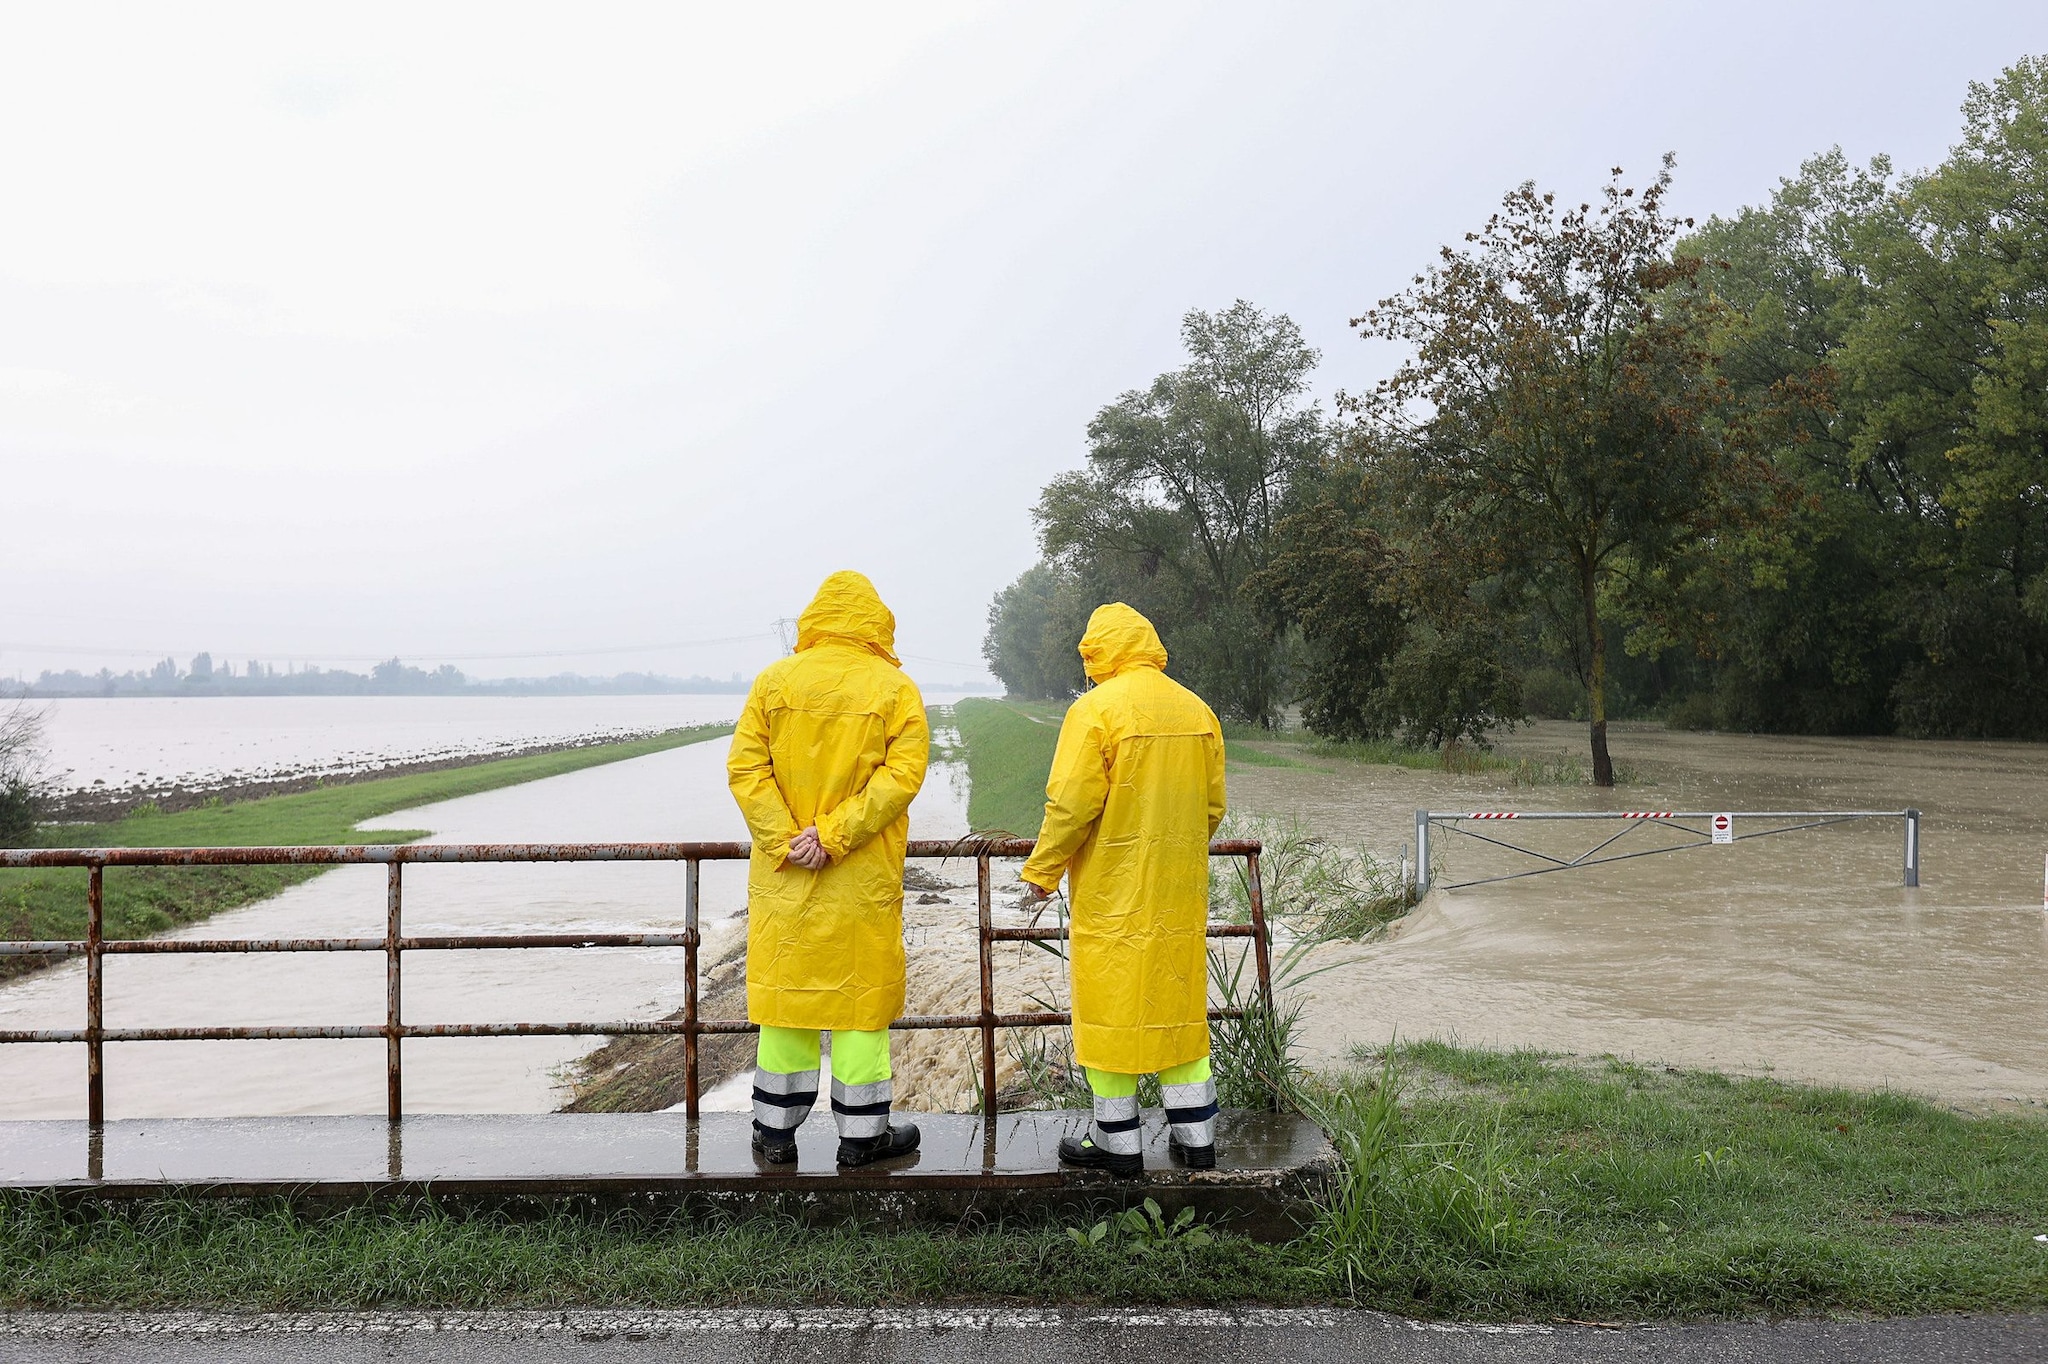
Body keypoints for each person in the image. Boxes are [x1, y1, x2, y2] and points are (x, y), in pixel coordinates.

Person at [726, 570, 928, 1167]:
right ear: (875, 622)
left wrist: (788, 839)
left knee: (788, 1003)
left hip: (787, 875)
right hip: (859, 878)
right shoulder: (895, 689)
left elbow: (745, 769)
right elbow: (903, 777)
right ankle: (864, 1138)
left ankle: (774, 1134)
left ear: (814, 619)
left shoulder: (774, 682)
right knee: (860, 1004)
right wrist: (835, 835)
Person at [1019, 603, 1227, 1177]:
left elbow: (1071, 804)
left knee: (1111, 1011)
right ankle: (1197, 1137)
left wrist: (1042, 871)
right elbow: (1212, 806)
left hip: (1114, 890)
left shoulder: (1094, 711)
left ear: (1096, 654)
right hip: (1179, 891)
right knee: (1178, 1006)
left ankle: (1118, 1143)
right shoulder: (1197, 710)